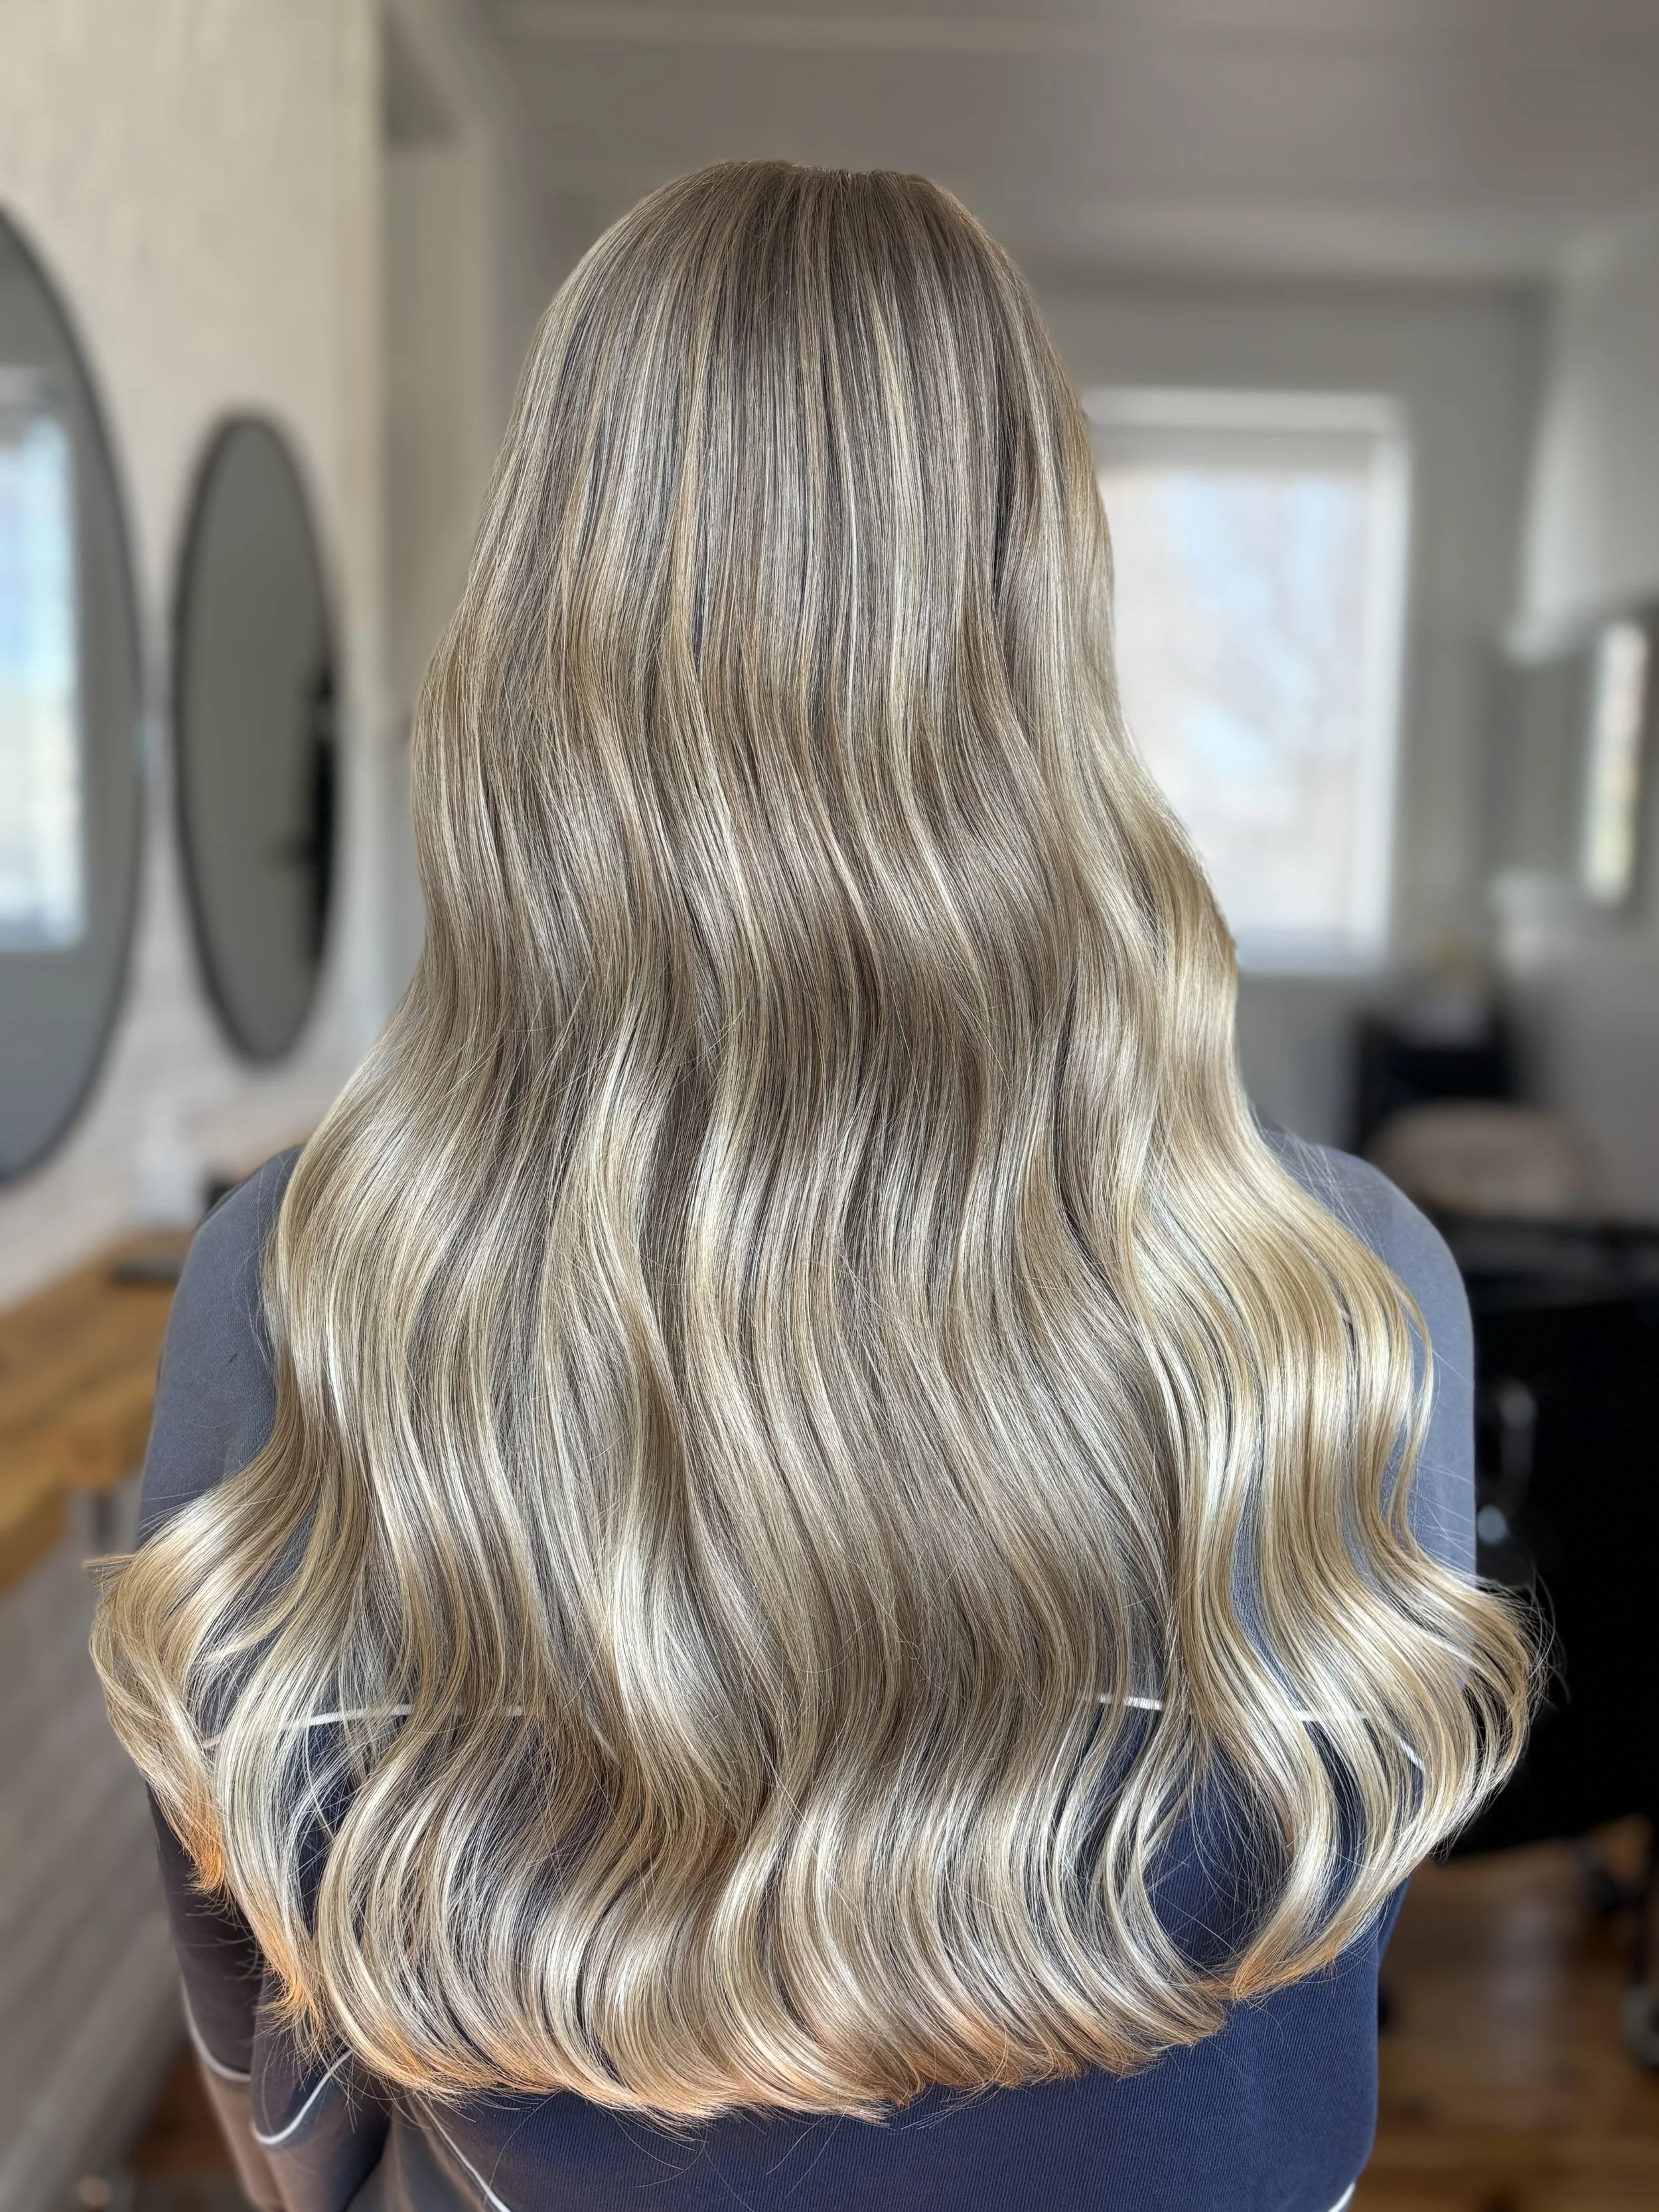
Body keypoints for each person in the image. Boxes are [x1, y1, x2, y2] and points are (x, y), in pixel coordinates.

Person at [94, 161, 1530, 2212]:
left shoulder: (300, 1282)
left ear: (543, 611)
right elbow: (1297, 2079)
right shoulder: (1345, 1288)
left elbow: (283, 2071)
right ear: (1045, 611)